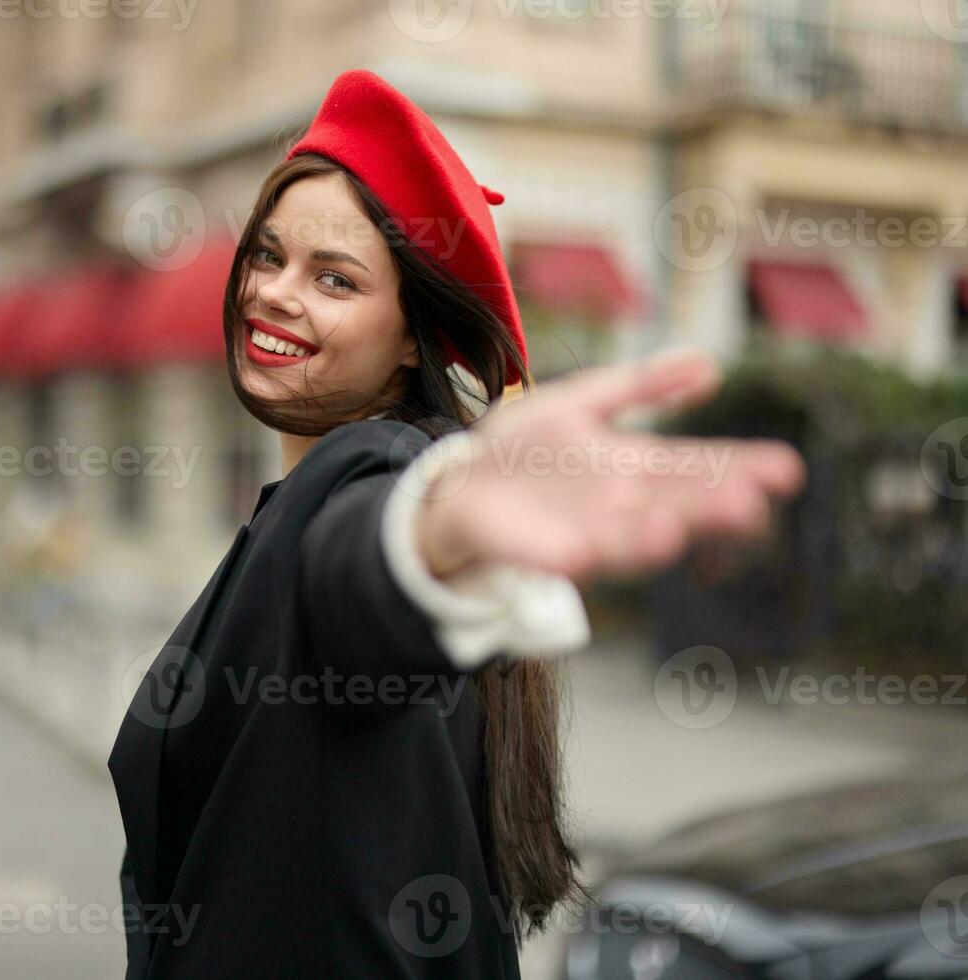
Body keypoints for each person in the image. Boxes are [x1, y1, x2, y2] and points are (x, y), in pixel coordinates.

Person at [106, 69, 805, 978]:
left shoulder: (372, 474)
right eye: (269, 254)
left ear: (410, 338)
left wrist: (426, 542)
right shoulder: (301, 497)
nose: (276, 293)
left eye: (336, 279)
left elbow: (361, 564)